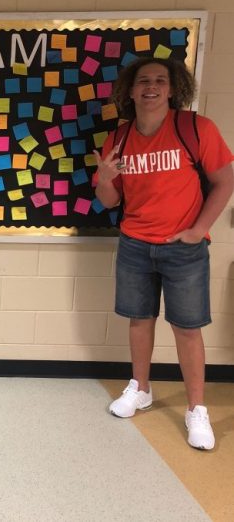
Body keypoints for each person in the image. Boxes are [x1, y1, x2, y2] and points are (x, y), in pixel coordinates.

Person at [94, 56, 234, 450]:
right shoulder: (119, 138)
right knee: (139, 320)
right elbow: (108, 199)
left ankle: (197, 409)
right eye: (143, 81)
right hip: (135, 244)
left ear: (173, 89)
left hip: (182, 249)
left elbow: (225, 180)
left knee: (188, 327)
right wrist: (105, 179)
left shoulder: (195, 128)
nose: (151, 87)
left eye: (160, 80)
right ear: (130, 90)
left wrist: (199, 230)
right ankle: (140, 388)